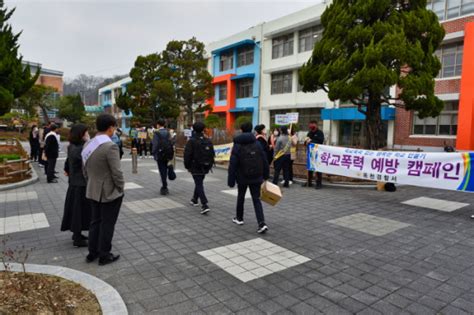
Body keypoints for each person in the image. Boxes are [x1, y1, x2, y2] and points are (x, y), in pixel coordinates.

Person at [83, 114, 124, 266]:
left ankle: (92, 253)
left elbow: (84, 169)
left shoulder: (88, 144)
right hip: (109, 192)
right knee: (107, 224)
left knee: (95, 222)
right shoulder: (110, 146)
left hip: (92, 189)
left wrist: (91, 182)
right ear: (110, 127)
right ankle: (104, 255)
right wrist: (120, 187)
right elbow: (117, 172)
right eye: (114, 127)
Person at [228, 122, 269, 234]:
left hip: (242, 176)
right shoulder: (257, 143)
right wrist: (266, 175)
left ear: (241, 130)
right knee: (256, 199)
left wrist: (231, 180)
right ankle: (261, 223)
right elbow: (264, 160)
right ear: (251, 130)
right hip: (257, 176)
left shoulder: (237, 145)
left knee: (241, 197)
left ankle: (239, 218)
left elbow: (233, 163)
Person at [61, 124, 92, 247]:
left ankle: (77, 234)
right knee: (79, 211)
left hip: (75, 182)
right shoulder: (79, 149)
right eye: (86, 133)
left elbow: (67, 163)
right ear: (80, 134)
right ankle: (78, 238)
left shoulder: (72, 146)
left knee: (76, 210)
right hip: (80, 184)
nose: (88, 135)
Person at [184, 122, 215, 214]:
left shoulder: (192, 141)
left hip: (195, 165)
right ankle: (194, 199)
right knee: (199, 182)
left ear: (193, 129)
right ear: (203, 129)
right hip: (206, 165)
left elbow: (187, 155)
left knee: (199, 183)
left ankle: (204, 204)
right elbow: (212, 153)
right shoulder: (208, 140)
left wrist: (187, 166)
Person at [152, 118, 174, 195]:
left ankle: (164, 187)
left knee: (162, 170)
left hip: (160, 154)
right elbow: (171, 142)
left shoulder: (156, 133)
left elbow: (155, 145)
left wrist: (154, 154)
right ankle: (170, 175)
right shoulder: (168, 132)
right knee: (167, 166)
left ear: (158, 125)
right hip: (168, 153)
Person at [303, 120, 325, 189]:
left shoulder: (320, 133)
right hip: (310, 153)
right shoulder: (309, 133)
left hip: (318, 153)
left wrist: (311, 141)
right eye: (310, 124)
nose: (311, 126)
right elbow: (306, 141)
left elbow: (320, 141)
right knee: (310, 168)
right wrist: (306, 141)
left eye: (312, 124)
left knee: (318, 168)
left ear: (316, 125)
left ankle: (319, 183)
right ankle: (309, 182)